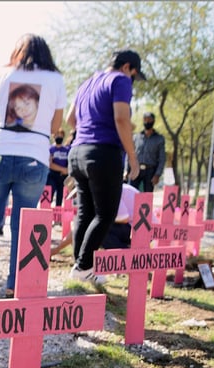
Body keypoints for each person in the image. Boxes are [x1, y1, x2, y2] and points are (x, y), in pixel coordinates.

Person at [0, 34, 67, 298]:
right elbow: (56, 125)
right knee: (22, 224)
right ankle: (14, 283)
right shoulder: (56, 80)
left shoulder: (3, 74)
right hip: (34, 157)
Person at [66, 49, 145, 283]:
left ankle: (82, 267)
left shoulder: (87, 82)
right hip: (103, 153)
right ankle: (83, 268)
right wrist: (132, 157)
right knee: (106, 214)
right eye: (134, 75)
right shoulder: (120, 80)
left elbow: (71, 119)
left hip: (78, 152)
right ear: (128, 67)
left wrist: (88, 130)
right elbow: (121, 118)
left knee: (85, 212)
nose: (132, 80)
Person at [127, 111, 166, 193]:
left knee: (147, 197)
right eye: (145, 119)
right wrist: (127, 170)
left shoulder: (159, 139)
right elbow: (129, 153)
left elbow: (162, 158)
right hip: (135, 169)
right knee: (131, 193)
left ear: (153, 121)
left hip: (150, 171)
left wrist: (157, 174)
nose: (147, 121)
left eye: (149, 119)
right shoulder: (136, 137)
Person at [46, 128, 70, 207]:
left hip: (62, 177)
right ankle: (46, 214)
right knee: (48, 196)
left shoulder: (66, 149)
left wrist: (66, 170)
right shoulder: (51, 149)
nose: (59, 137)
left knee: (60, 197)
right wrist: (62, 169)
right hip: (52, 175)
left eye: (61, 135)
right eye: (57, 135)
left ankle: (57, 218)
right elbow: (50, 164)